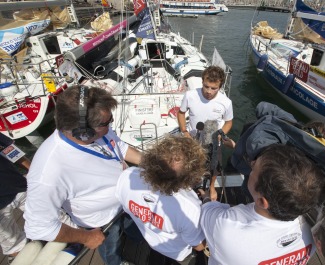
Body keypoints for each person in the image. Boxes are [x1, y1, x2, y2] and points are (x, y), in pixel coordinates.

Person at [24, 85, 142, 265]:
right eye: (106, 122)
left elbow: (120, 147)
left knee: (135, 229)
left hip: (127, 202)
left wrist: (150, 162)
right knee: (111, 249)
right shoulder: (48, 172)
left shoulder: (98, 130)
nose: (110, 124)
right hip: (101, 221)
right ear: (82, 131)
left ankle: (137, 237)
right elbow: (38, 227)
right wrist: (86, 237)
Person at [200, 144, 325, 265]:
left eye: (254, 168)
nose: (252, 163)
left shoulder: (226, 228)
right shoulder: (315, 231)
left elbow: (207, 210)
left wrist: (206, 198)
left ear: (261, 201)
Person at [115, 136, 207, 264]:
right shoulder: (190, 208)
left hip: (149, 241)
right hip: (178, 254)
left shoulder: (127, 177)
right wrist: (208, 204)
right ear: (189, 177)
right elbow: (199, 245)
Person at [177, 66, 233, 201]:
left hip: (213, 140)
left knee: (214, 166)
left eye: (213, 88)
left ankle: (212, 186)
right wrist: (184, 131)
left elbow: (229, 122)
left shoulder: (226, 102)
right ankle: (191, 182)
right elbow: (181, 113)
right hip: (192, 139)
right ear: (202, 82)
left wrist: (221, 134)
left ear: (220, 86)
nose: (208, 91)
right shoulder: (190, 95)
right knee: (189, 163)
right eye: (206, 86)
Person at [0, 134, 30, 264]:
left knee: (57, 218)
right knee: (13, 245)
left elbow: (9, 150)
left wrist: (33, 169)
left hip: (17, 185)